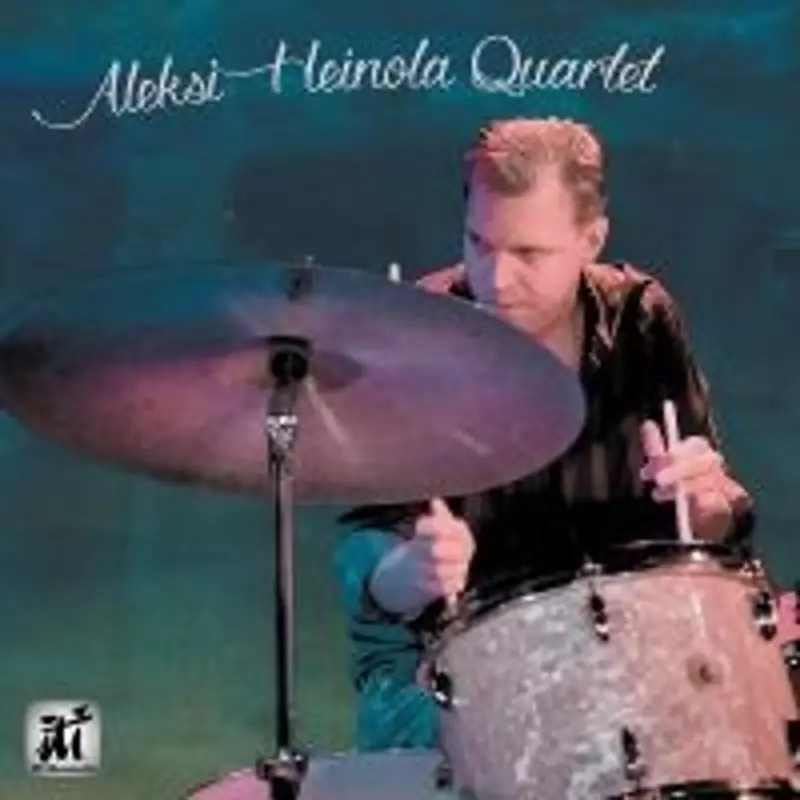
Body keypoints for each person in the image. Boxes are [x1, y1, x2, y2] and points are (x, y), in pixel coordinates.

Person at [334, 117, 755, 752]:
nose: (496, 278)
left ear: (592, 238)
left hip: (622, 650)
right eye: (479, 243)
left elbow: (714, 528)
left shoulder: (641, 318)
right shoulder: (417, 331)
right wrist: (411, 570)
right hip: (443, 670)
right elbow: (370, 579)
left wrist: (709, 508)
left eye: (529, 254)